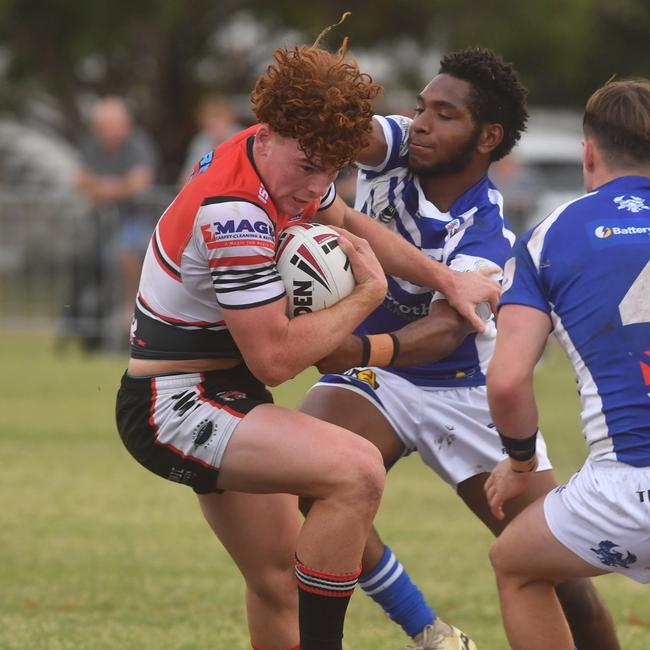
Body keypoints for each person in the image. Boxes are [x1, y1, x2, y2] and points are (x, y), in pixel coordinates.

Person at [115, 21, 499, 650]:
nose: (315, 186)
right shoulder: (234, 213)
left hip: (217, 387)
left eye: (333, 169)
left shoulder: (274, 156)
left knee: (278, 582)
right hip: (177, 403)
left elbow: (342, 215)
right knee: (355, 471)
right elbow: (274, 359)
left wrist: (444, 279)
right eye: (308, 166)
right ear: (267, 134)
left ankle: (420, 629)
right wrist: (370, 298)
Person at [299, 47, 620, 650]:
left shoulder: (489, 229)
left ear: (486, 135)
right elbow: (355, 132)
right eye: (422, 106)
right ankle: (428, 631)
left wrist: (361, 350)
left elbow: (450, 328)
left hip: (466, 392)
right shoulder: (399, 144)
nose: (421, 121)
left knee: (562, 572)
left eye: (444, 114)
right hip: (383, 381)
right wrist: (323, 98)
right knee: (316, 477)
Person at [484, 78, 650, 650]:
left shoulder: (549, 237)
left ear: (588, 152)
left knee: (516, 563)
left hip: (626, 493)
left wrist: (522, 463)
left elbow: (506, 381)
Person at [74, 96, 158, 342]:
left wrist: (103, 188)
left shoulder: (138, 143)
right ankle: (81, 320)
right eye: (101, 127)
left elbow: (141, 182)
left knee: (127, 252)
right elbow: (79, 180)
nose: (106, 133)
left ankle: (128, 308)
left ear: (124, 124)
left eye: (110, 126)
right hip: (99, 223)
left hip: (136, 219)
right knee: (80, 258)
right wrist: (119, 186)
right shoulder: (91, 145)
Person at [178, 94, 244, 183]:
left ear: (229, 120)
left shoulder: (242, 138)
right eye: (211, 124)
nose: (216, 127)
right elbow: (187, 176)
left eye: (220, 121)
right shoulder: (201, 141)